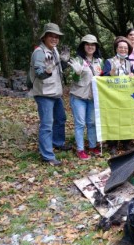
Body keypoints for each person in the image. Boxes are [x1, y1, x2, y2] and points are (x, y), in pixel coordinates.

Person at [29, 22, 71, 166]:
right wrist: (46, 71)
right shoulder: (39, 52)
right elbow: (40, 74)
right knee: (47, 124)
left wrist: (64, 62)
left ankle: (57, 142)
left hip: (55, 92)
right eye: (51, 36)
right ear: (44, 37)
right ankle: (47, 155)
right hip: (44, 93)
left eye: (57, 36)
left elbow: (58, 70)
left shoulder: (54, 51)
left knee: (60, 119)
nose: (54, 39)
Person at [68, 34, 103, 160]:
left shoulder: (99, 61)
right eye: (87, 44)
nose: (90, 46)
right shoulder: (77, 60)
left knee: (92, 123)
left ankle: (93, 146)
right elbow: (73, 78)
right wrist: (77, 73)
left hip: (93, 98)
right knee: (80, 123)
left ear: (96, 46)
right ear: (83, 46)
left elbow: (103, 78)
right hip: (78, 96)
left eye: (93, 44)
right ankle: (80, 149)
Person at [103, 36, 134, 154]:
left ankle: (126, 142)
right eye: (120, 47)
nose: (123, 50)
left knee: (126, 117)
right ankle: (112, 144)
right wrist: (112, 71)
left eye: (125, 48)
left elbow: (131, 78)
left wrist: (133, 77)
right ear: (116, 49)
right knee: (113, 118)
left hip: (126, 96)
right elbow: (104, 78)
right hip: (112, 96)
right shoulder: (109, 61)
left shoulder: (129, 63)